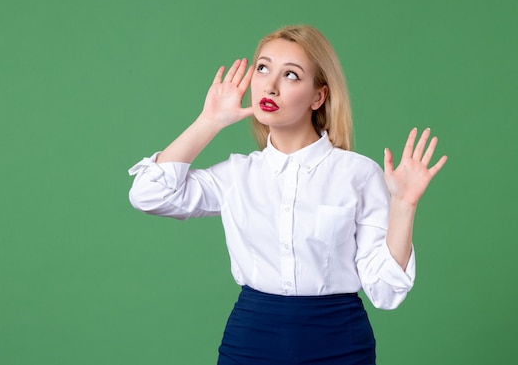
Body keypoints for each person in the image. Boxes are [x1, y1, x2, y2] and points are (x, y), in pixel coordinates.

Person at [128, 25, 447, 365]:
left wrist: (404, 205)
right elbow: (150, 194)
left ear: (318, 96)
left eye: (291, 75)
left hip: (340, 342)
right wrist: (210, 121)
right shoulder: (237, 175)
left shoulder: (358, 174)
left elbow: (385, 292)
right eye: (263, 68)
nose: (271, 85)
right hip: (251, 340)